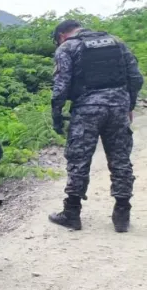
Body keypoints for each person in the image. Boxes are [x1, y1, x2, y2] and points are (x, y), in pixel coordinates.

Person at [48, 19, 143, 232]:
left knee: (79, 158)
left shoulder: (68, 47)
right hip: (118, 106)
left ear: (62, 35)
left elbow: (61, 85)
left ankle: (71, 213)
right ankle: (122, 214)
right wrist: (130, 105)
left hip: (87, 109)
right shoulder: (117, 43)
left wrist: (56, 114)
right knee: (120, 158)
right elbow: (135, 78)